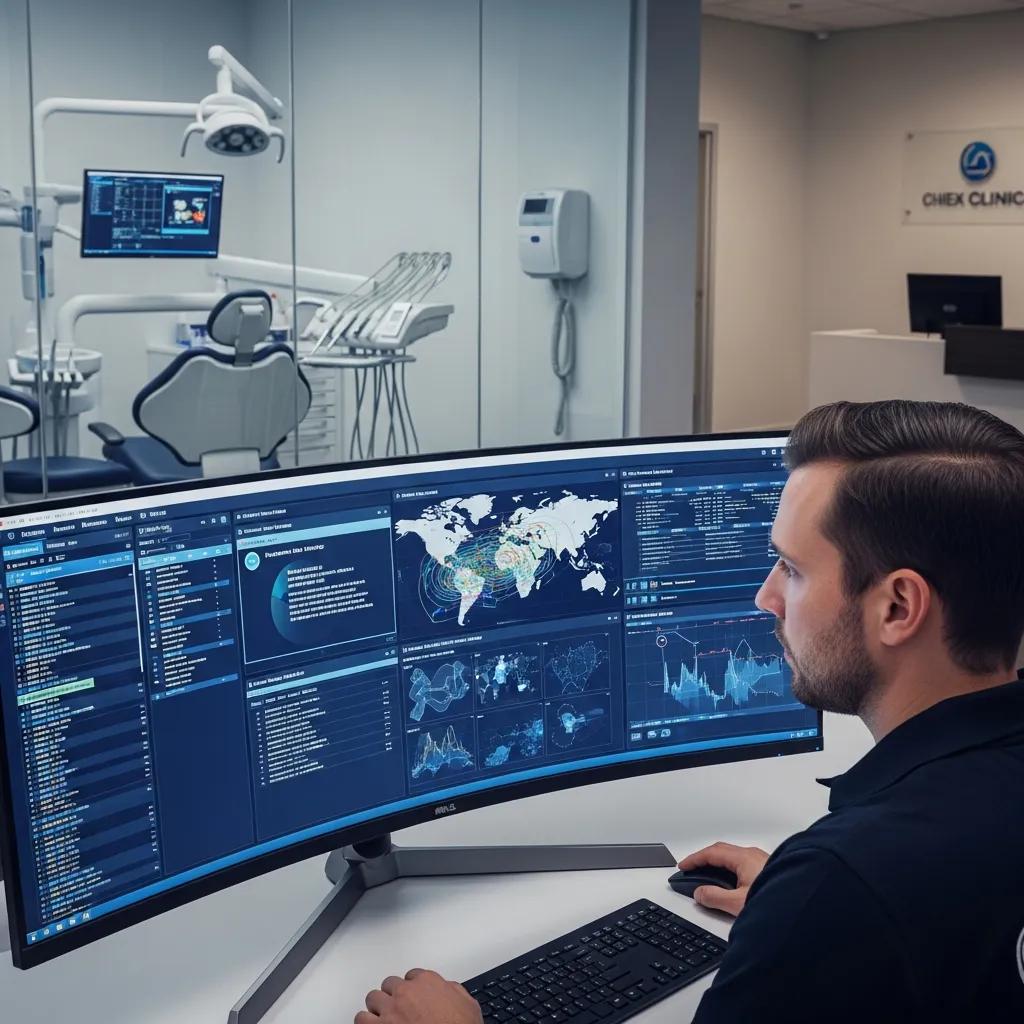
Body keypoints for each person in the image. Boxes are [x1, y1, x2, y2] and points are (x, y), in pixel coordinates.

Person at [354, 400, 1024, 1024]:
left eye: (791, 568)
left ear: (898, 607)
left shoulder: (846, 884)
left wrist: (820, 908)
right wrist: (805, 909)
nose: (767, 598)